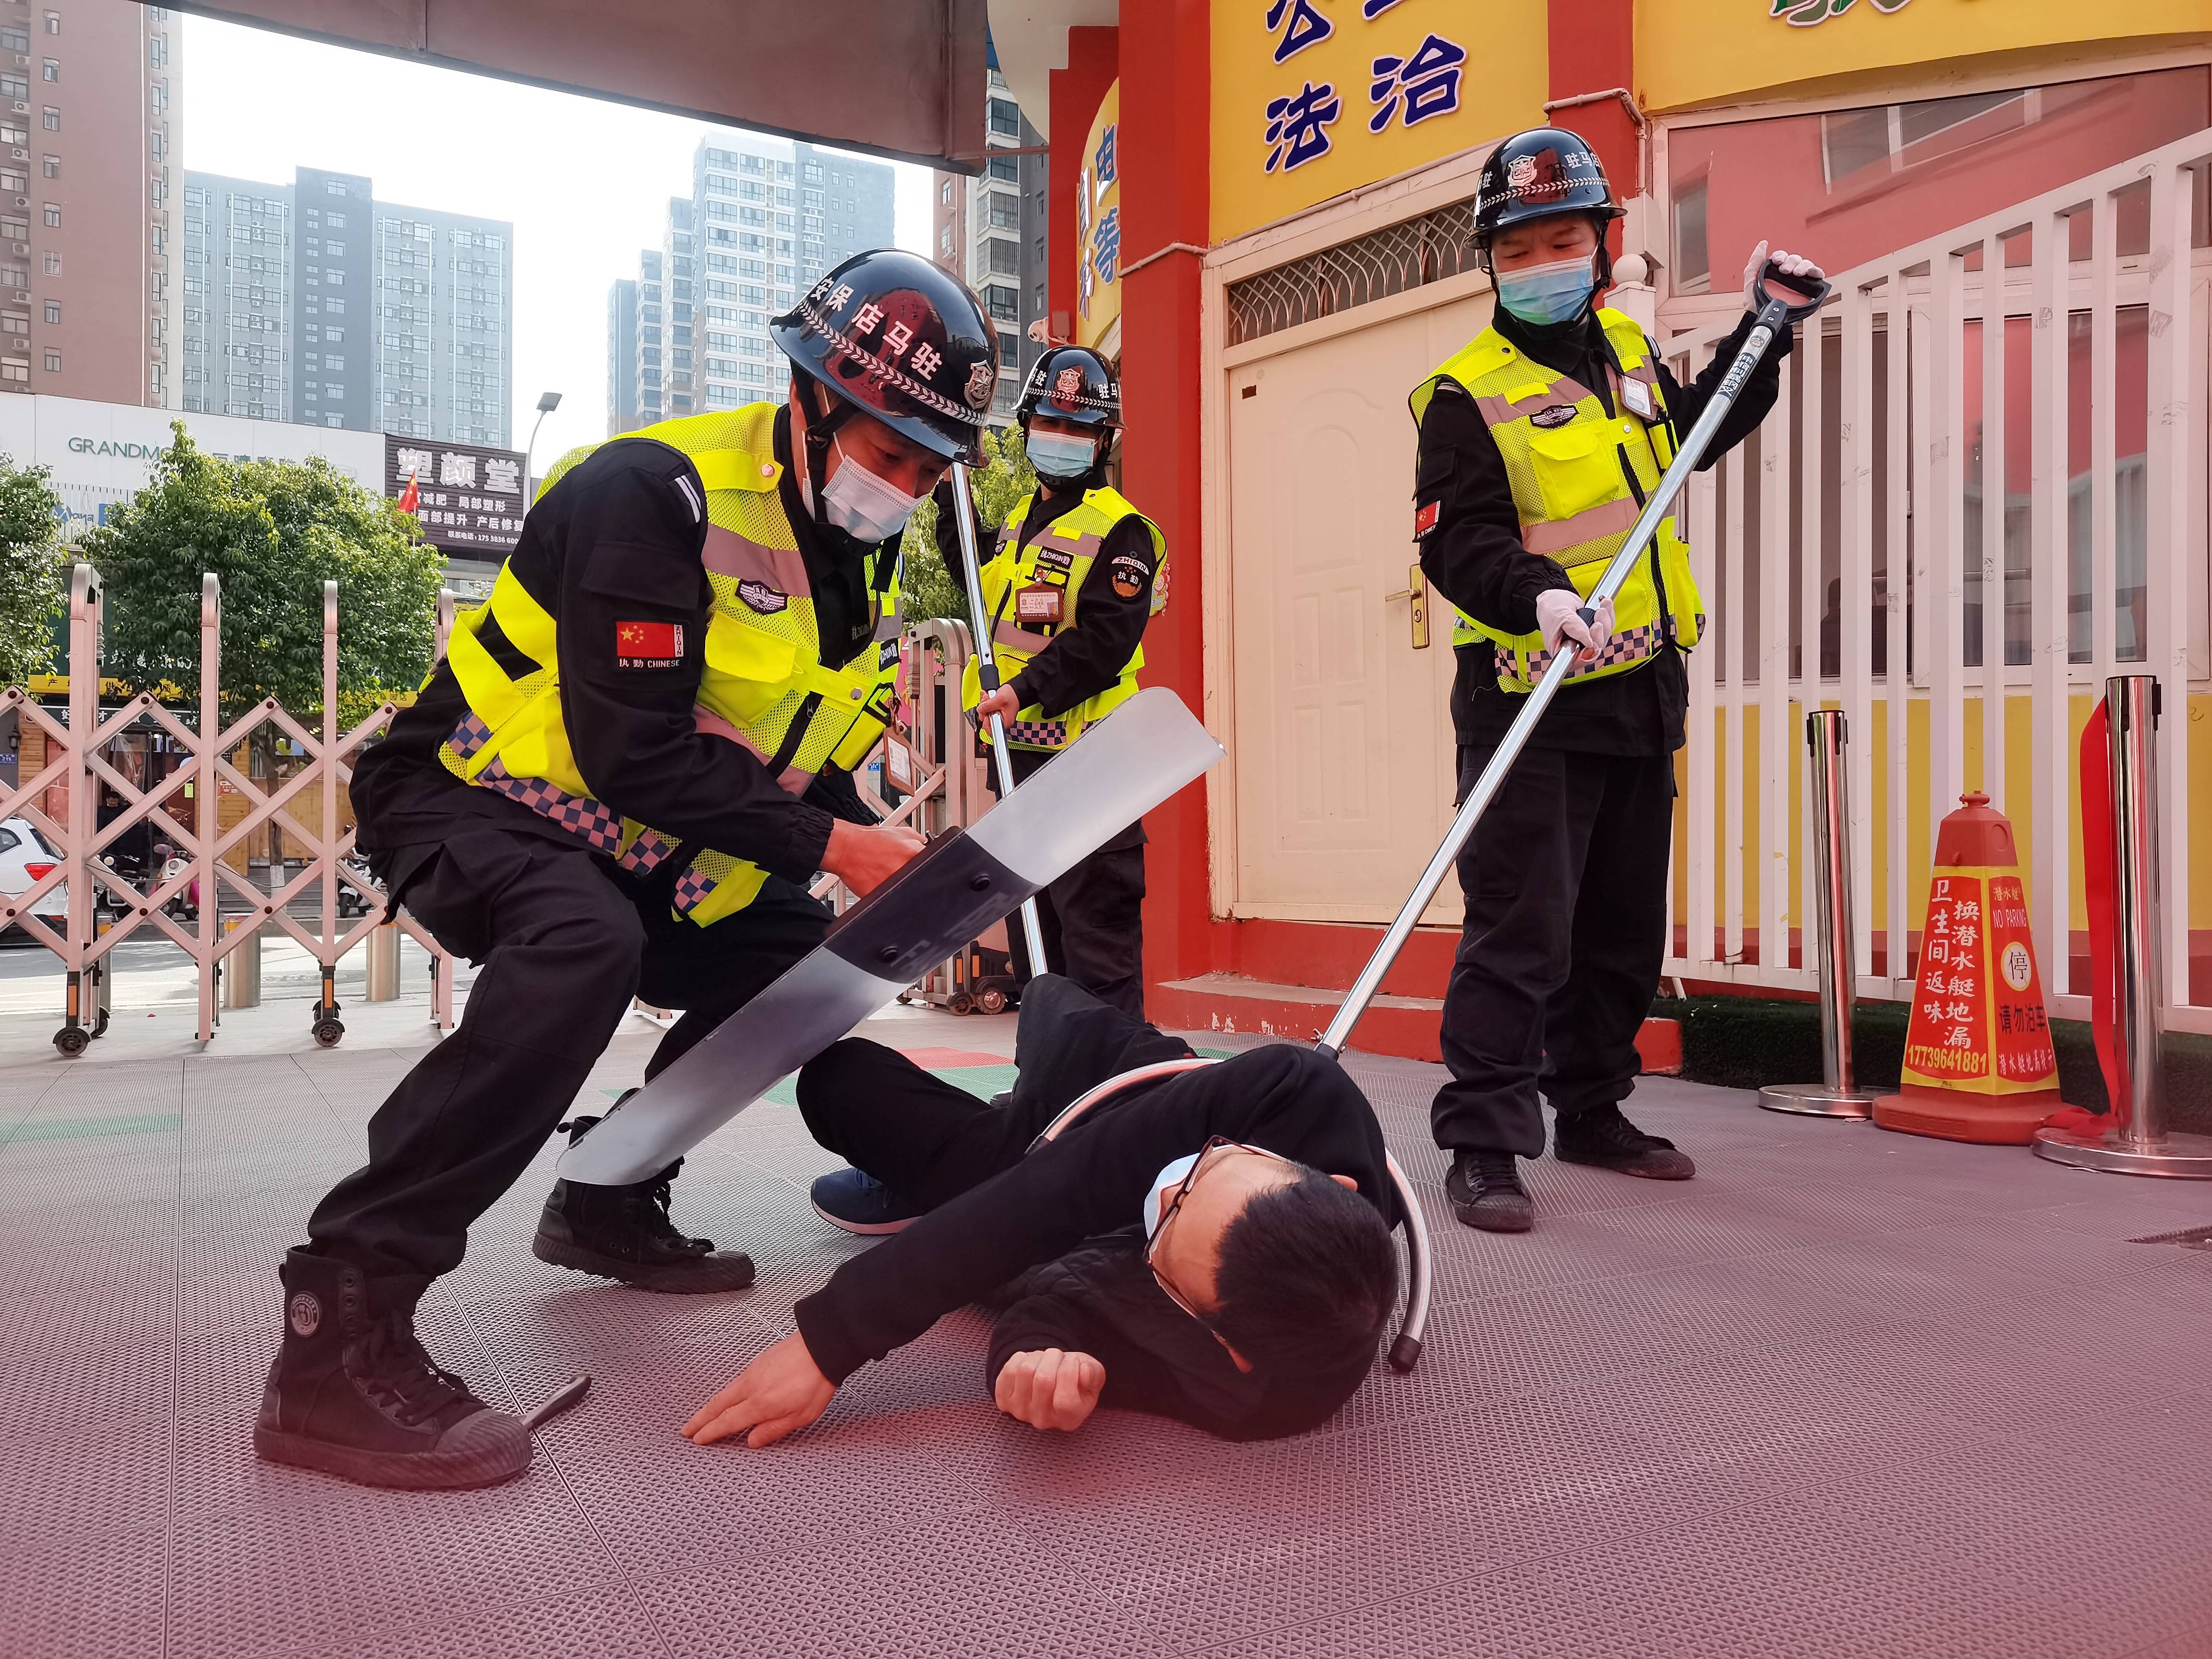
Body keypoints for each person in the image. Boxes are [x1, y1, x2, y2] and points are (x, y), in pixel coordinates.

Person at [256, 250, 1001, 1491]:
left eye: (929, 471)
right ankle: (340, 1321)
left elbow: (785, 750)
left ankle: (611, 1193)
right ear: (813, 398)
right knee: (582, 946)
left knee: (806, 979)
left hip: (648, 842)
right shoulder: (651, 495)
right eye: (891, 451)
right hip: (476, 793)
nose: (905, 488)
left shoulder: (852, 560)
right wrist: (841, 846)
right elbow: (632, 751)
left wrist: (883, 850)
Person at [1410, 128, 1824, 1234]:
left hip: (1641, 689)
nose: (1546, 258)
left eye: (1566, 237)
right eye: (1521, 244)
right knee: (1520, 928)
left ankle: (1593, 1108)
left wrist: (1763, 337)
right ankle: (1485, 1143)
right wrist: (1535, 594)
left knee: (1622, 928)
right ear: (1492, 262)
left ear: (1602, 245)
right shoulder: (1464, 394)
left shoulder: (1630, 360)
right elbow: (1457, 546)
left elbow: (1694, 438)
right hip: (1528, 695)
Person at [680, 974, 1401, 1447]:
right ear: (1330, 1182)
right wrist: (831, 1338)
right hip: (1117, 1114)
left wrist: (1043, 1369)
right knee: (1052, 1000)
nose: (1169, 1187)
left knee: (841, 1080)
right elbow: (1060, 1188)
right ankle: (1003, 1124)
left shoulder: (1251, 1390)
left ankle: (928, 1192)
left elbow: (1059, 1305)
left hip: (1028, 1193)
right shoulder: (1296, 1092)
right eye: (1215, 1164)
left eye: (1172, 1221)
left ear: (1218, 1340)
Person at [926, 345, 1166, 1021]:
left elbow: (1103, 644)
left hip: (1092, 766)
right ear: (1028, 426)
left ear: (1104, 440)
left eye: (1079, 430)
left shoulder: (1123, 533)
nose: (1061, 441)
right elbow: (974, 577)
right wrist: (949, 490)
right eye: (1050, 425)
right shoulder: (1017, 530)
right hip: (1022, 764)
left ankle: (1113, 1104)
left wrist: (1023, 691)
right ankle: (1050, 1099)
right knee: (1041, 955)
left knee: (1098, 956)